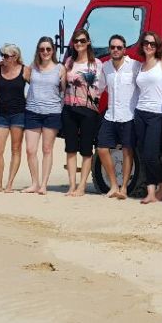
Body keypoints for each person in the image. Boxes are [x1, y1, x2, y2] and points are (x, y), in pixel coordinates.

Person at [62, 28, 105, 197]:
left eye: (82, 41)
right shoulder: (69, 62)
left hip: (89, 110)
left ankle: (82, 187)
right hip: (69, 108)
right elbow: (62, 84)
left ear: (88, 42)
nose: (78, 44)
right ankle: (72, 185)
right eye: (76, 41)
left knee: (86, 149)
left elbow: (101, 85)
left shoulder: (97, 64)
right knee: (70, 148)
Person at [96, 34, 139, 200]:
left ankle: (124, 188)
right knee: (101, 148)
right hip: (110, 115)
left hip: (129, 116)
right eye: (112, 47)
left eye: (119, 47)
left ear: (124, 49)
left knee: (128, 151)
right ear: (109, 49)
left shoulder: (135, 66)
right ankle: (113, 184)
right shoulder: (105, 67)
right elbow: (99, 88)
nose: (115, 50)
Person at [133, 31, 162, 204]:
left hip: (157, 114)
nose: (149, 46)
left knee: (151, 155)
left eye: (153, 44)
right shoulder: (140, 66)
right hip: (140, 113)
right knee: (143, 154)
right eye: (146, 43)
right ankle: (150, 192)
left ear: (157, 47)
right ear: (142, 45)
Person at [21, 36, 64, 195]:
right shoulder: (32, 67)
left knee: (47, 149)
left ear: (52, 50)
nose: (45, 52)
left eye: (48, 49)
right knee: (30, 150)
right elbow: (20, 79)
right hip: (32, 111)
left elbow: (63, 92)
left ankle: (44, 184)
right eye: (42, 49)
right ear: (38, 51)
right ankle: (34, 183)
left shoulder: (60, 68)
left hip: (52, 113)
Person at [0, 43, 27, 193]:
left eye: (6, 55)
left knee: (16, 149)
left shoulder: (25, 71)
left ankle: (9, 184)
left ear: (15, 57)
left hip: (19, 113)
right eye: (2, 55)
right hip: (2, 114)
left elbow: (38, 86)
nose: (3, 58)